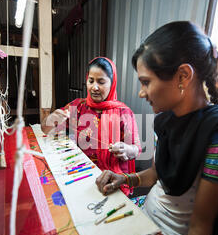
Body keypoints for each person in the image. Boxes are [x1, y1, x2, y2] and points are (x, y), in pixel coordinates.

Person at [95, 21, 218, 235]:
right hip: (145, 223)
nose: (142, 93)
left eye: (146, 82)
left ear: (183, 76)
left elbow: (200, 227)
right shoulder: (167, 121)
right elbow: (157, 175)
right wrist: (125, 179)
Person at [41, 57, 142, 196]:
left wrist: (127, 150)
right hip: (81, 175)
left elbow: (137, 149)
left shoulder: (123, 113)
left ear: (112, 84)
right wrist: (51, 119)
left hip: (112, 179)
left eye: (101, 82)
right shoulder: (78, 107)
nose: (94, 87)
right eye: (91, 81)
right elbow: (45, 129)